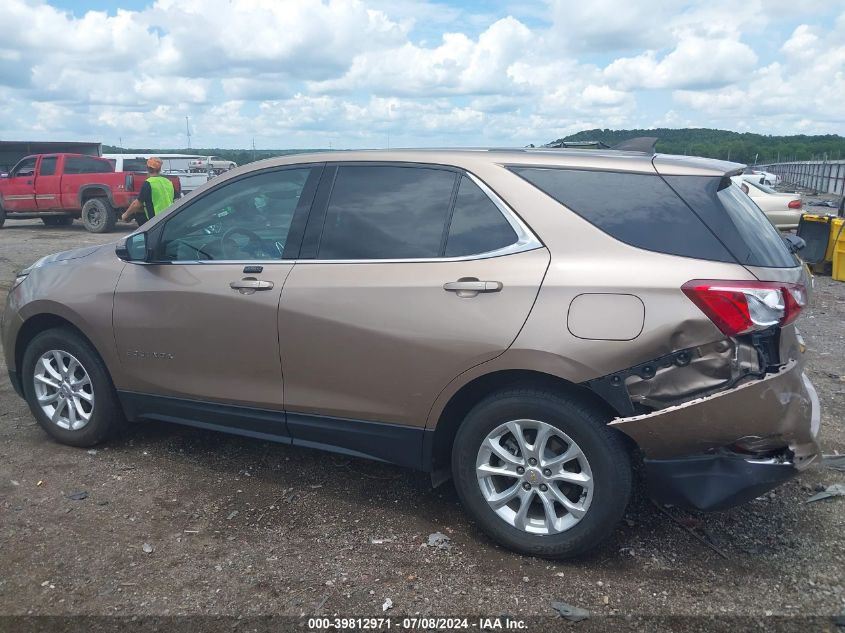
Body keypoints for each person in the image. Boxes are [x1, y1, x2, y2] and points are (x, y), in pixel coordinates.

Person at [121, 157, 175, 224]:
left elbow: (137, 204)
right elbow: (176, 200)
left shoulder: (149, 183)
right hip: (169, 217)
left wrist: (125, 215)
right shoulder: (168, 182)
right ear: (160, 168)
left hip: (156, 220)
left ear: (147, 168)